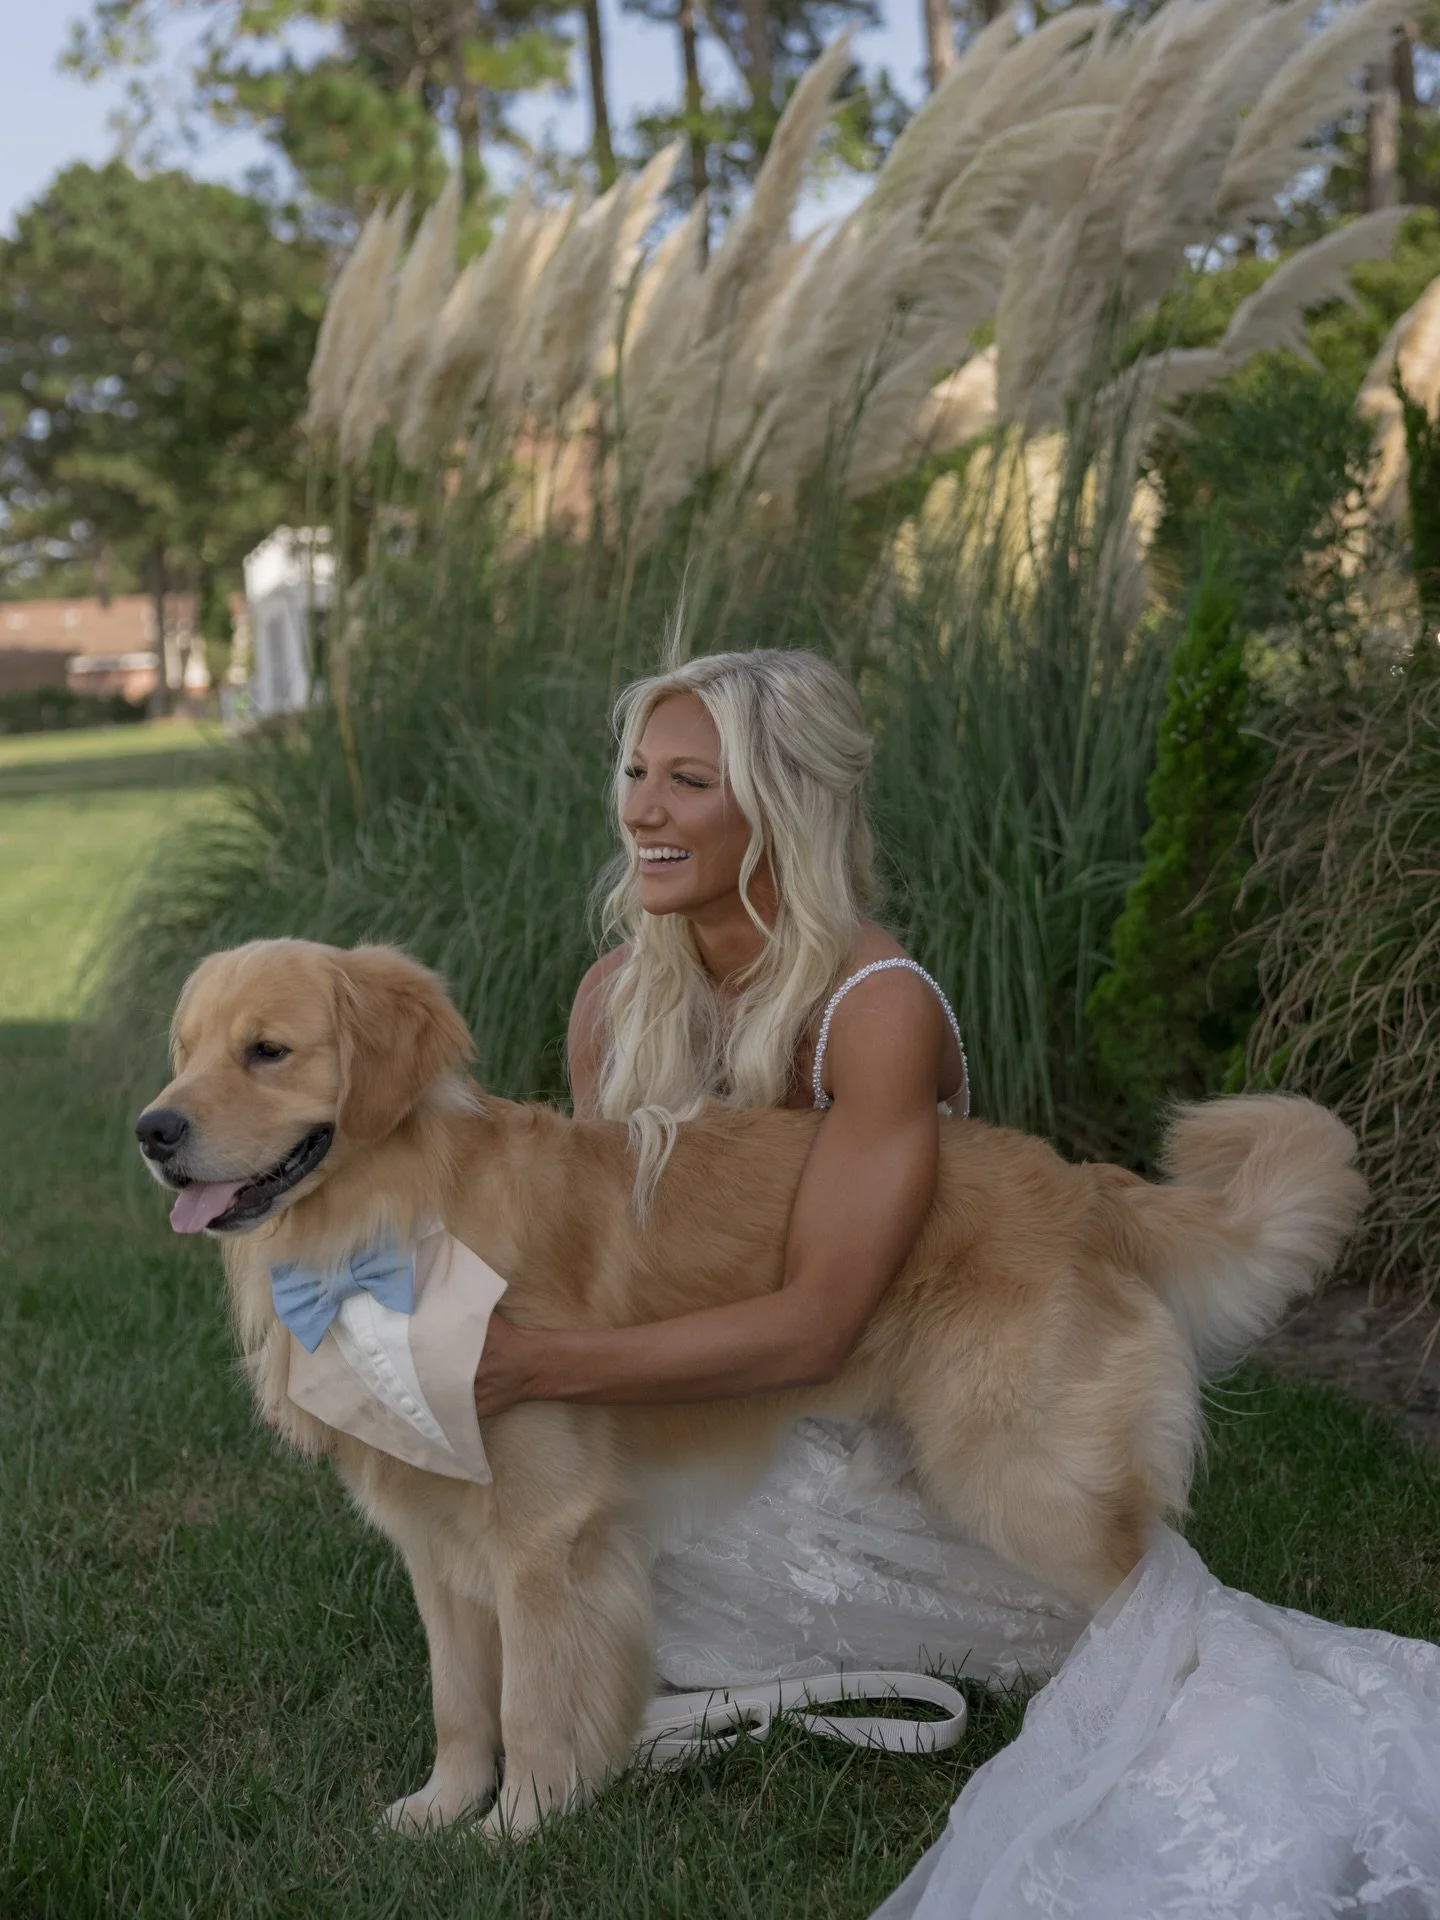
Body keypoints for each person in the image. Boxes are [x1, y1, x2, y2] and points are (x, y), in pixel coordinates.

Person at [473, 645, 1084, 1686]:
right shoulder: (614, 996)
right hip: (694, 1390)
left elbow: (817, 1330)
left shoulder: (876, 1010)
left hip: (878, 1404)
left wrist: (532, 1371)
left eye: (690, 783)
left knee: (623, 1560)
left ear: (784, 807)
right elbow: (601, 1274)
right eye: (637, 775)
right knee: (514, 1509)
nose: (642, 813)